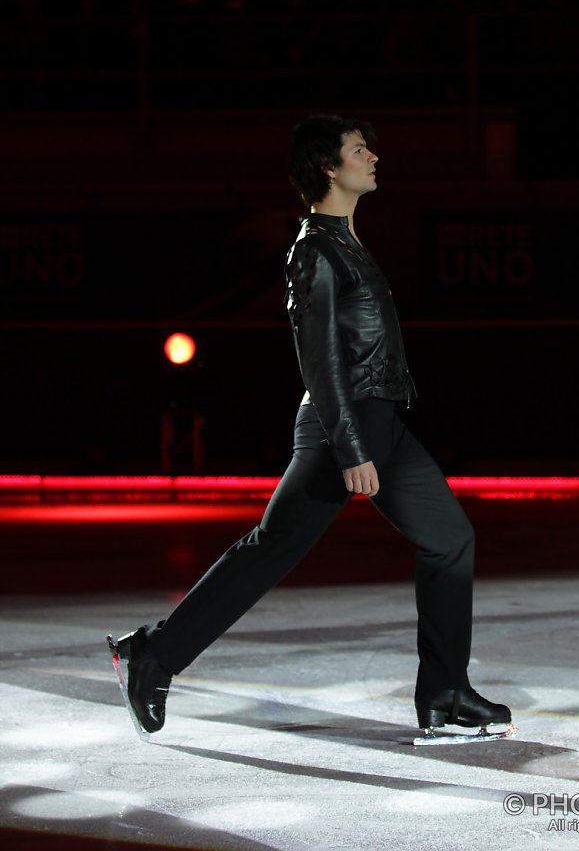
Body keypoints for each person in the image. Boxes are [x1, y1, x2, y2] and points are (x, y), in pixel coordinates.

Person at [110, 114, 512, 737]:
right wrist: (351, 446)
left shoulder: (347, 241)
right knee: (271, 549)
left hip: (381, 424)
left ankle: (445, 690)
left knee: (450, 539)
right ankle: (153, 656)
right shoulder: (315, 251)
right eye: (359, 150)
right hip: (339, 430)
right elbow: (319, 359)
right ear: (329, 167)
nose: (373, 156)